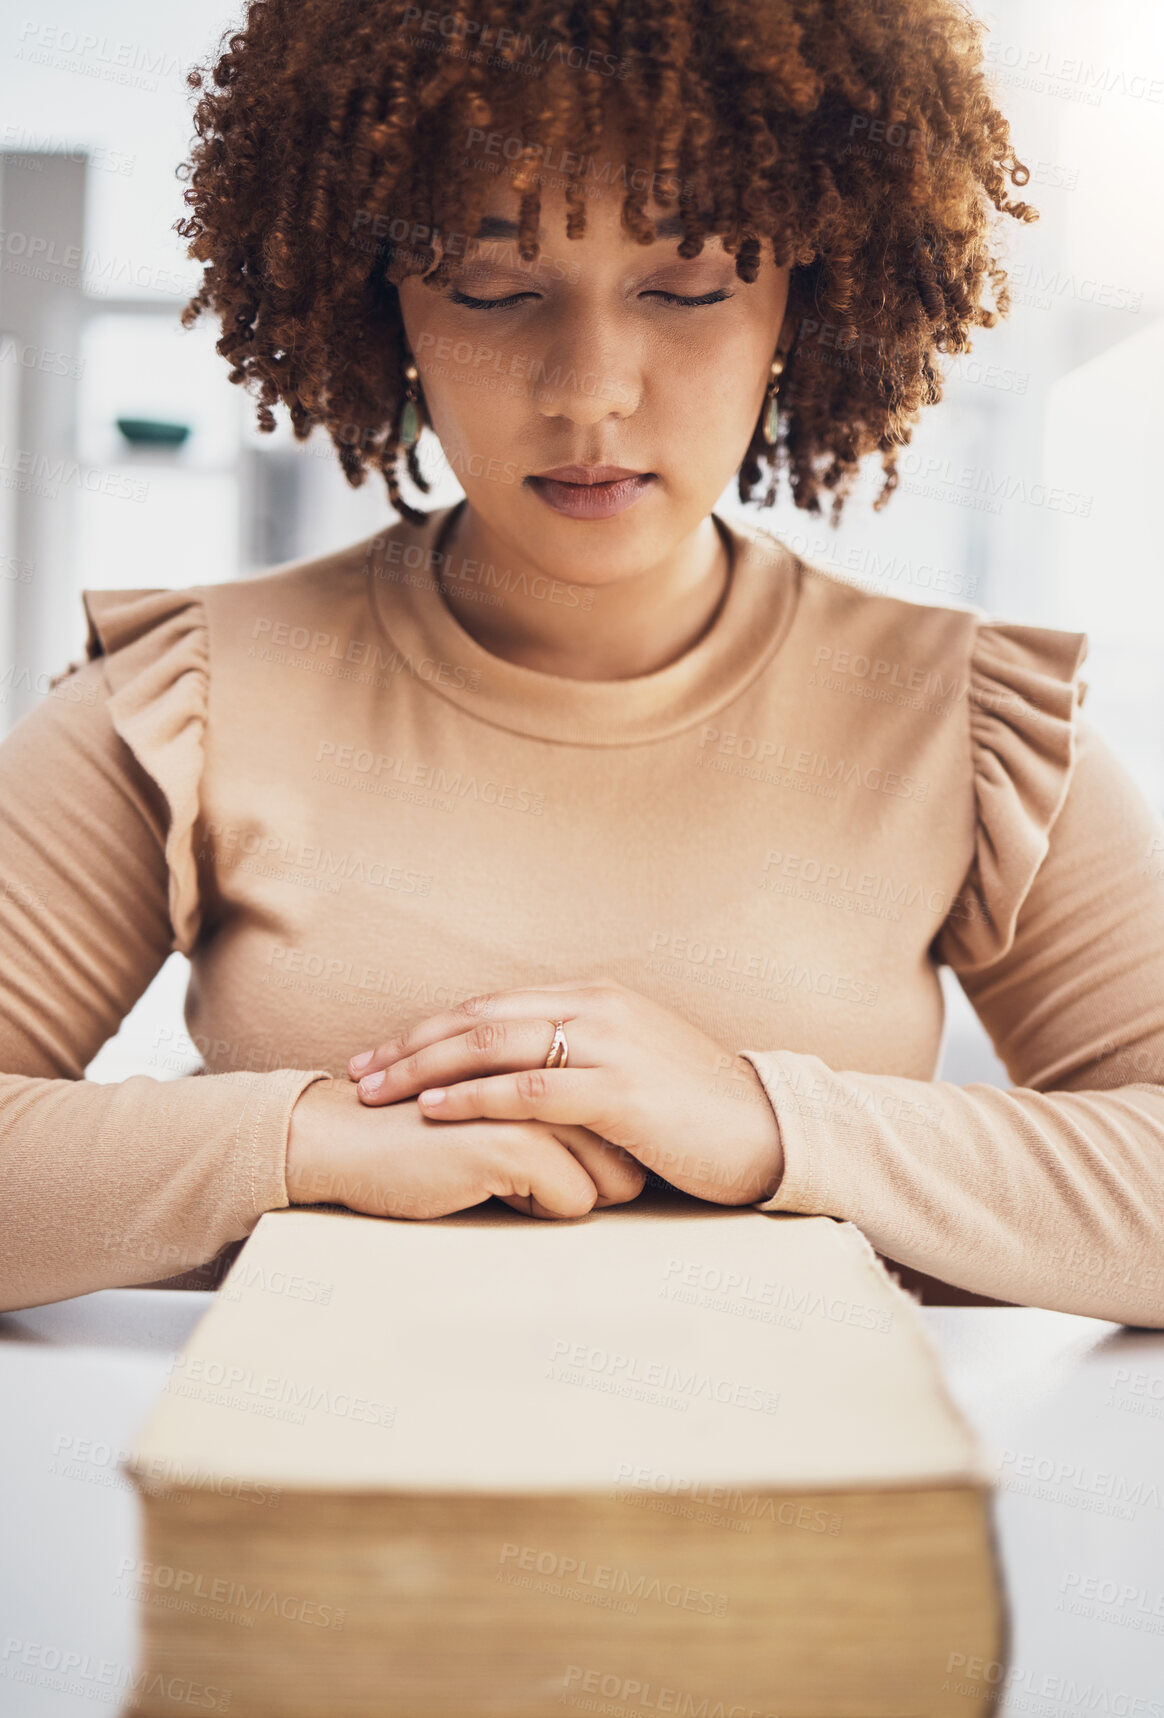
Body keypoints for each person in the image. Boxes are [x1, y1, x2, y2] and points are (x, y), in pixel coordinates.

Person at [2, 0, 1162, 1323]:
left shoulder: (968, 726)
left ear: (810, 292)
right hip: (314, 1512)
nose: (592, 388)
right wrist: (299, 1139)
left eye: (686, 287)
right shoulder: (183, 702)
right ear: (383, 307)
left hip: (808, 1517)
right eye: (494, 290)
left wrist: (772, 1122)